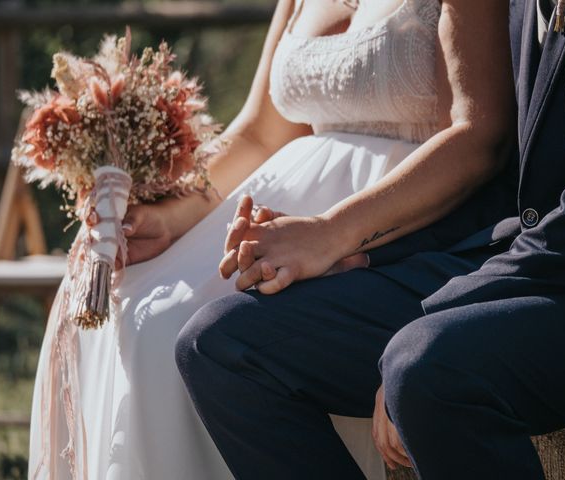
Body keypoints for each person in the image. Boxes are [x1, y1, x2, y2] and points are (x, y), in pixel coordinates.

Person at [29, 0, 516, 478]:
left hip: (394, 220)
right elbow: (260, 133)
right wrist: (173, 218)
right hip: (279, 210)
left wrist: (331, 233)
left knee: (170, 328)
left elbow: (480, 137)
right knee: (130, 300)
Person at [176, 0, 565, 478]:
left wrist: (438, 312)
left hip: (563, 282)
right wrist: (356, 253)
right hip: (509, 257)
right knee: (220, 343)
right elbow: (510, 191)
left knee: (422, 365)